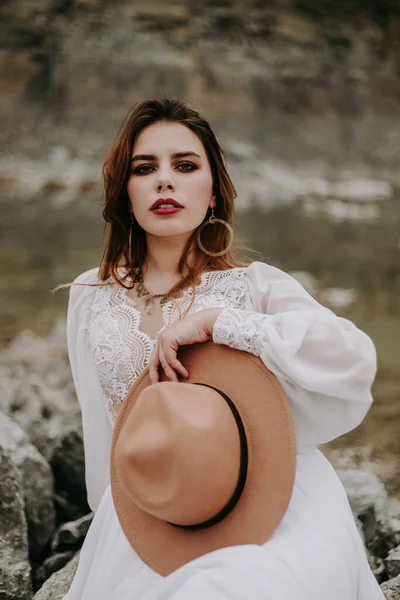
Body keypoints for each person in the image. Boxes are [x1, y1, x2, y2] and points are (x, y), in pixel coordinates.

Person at [62, 97, 384, 599]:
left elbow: (353, 360)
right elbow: (103, 438)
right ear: (125, 193)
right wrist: (112, 529)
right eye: (144, 169)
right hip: (152, 508)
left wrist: (224, 322)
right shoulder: (90, 298)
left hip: (275, 495)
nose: (164, 181)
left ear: (213, 192)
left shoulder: (255, 286)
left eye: (185, 166)